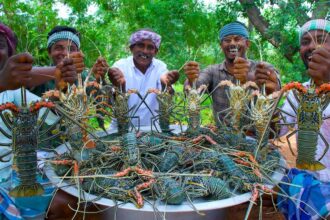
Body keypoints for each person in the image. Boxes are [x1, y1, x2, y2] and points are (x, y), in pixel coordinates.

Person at [277, 19, 330, 219]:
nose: (312, 46)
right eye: (305, 41)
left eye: (321, 39)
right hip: (306, 181)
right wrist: (271, 99)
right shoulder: (297, 92)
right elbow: (280, 136)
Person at [183, 21, 281, 123]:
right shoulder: (212, 71)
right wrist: (191, 80)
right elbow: (194, 87)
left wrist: (254, 80)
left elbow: (277, 89)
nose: (232, 43)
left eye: (237, 39)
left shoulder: (262, 68)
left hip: (255, 135)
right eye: (227, 40)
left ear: (247, 44)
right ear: (221, 46)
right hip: (221, 135)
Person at [93, 28, 179, 129]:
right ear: (132, 48)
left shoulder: (160, 66)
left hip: (153, 129)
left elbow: (167, 88)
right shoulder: (120, 65)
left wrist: (166, 83)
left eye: (150, 47)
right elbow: (108, 100)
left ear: (155, 52)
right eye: (140, 45)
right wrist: (110, 82)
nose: (145, 51)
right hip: (120, 130)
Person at [29, 25, 85, 96]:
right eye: (58, 48)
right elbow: (22, 76)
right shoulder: (39, 76)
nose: (65, 53)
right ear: (49, 52)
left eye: (71, 49)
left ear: (78, 52)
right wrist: (58, 71)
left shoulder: (84, 76)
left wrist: (100, 80)